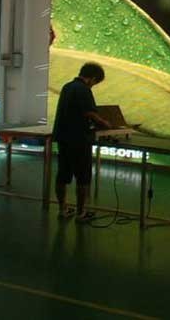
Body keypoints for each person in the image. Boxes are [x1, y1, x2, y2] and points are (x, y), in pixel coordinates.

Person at [52, 62, 112, 222]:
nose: (93, 85)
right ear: (92, 78)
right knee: (83, 177)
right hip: (79, 139)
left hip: (63, 138)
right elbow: (89, 113)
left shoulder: (67, 87)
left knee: (62, 175)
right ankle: (81, 213)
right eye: (95, 82)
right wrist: (105, 123)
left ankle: (63, 210)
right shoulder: (84, 89)